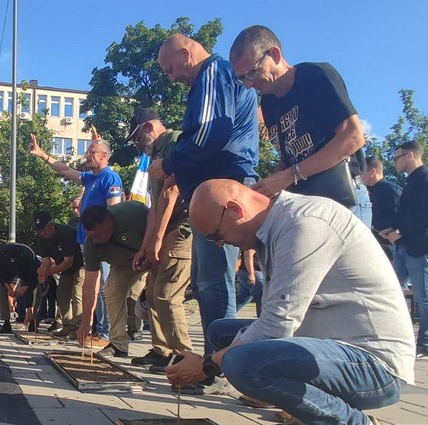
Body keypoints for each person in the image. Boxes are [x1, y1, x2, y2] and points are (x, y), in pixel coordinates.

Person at [168, 179, 415, 425]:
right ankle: (313, 419)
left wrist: (209, 364)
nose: (220, 244)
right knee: (222, 332)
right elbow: (276, 319)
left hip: (375, 365)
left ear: (234, 209)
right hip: (334, 346)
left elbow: (278, 324)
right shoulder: (277, 225)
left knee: (240, 362)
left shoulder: (304, 224)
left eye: (216, 235)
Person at [149, 33, 259, 354]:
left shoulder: (212, 72)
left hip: (222, 190)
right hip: (217, 188)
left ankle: (221, 365)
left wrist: (169, 163)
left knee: (214, 283)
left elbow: (209, 132)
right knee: (206, 282)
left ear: (186, 54)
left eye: (171, 69)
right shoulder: (214, 79)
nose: (172, 79)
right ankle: (219, 358)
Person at [229, 25, 365, 205]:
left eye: (253, 73)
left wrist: (289, 176)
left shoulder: (316, 76)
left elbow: (353, 137)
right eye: (242, 78)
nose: (248, 84)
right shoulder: (268, 104)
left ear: (275, 55)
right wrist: (265, 187)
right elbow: (290, 158)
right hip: (308, 199)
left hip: (345, 194)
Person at [29, 135, 123, 344]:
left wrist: (106, 241)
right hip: (88, 242)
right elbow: (64, 170)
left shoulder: (110, 178)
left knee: (105, 290)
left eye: (91, 152)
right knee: (94, 290)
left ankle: (106, 334)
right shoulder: (91, 178)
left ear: (104, 155)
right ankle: (96, 331)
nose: (87, 156)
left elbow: (115, 212)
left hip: (102, 243)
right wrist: (42, 154)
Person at [125, 108, 195, 370]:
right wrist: (145, 247)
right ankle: (162, 349)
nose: (136, 144)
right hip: (166, 226)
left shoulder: (175, 142)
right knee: (152, 292)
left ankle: (186, 359)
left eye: (136, 138)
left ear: (148, 129)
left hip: (183, 225)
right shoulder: (155, 156)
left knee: (167, 293)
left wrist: (157, 240)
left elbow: (172, 192)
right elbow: (155, 207)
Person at [382, 140, 428, 361]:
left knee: (423, 297)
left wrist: (400, 232)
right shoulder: (413, 181)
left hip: (423, 246)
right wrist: (394, 229)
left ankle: (425, 346)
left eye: (396, 157)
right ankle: (394, 337)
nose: (394, 163)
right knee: (392, 290)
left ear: (410, 156)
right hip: (407, 245)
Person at [78, 203, 149, 357]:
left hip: (155, 251)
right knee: (112, 290)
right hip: (124, 264)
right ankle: (118, 344)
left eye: (97, 235)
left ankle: (164, 350)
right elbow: (90, 286)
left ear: (108, 222)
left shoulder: (133, 214)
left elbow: (158, 231)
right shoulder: (91, 245)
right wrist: (85, 324)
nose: (94, 241)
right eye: (91, 236)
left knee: (158, 294)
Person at [34, 211, 84, 339]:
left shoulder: (66, 233)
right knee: (61, 294)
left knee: (77, 294)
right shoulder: (42, 239)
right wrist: (42, 272)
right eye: (40, 231)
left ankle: (79, 328)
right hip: (65, 269)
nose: (42, 233)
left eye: (44, 230)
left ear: (52, 225)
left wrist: (48, 272)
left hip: (80, 266)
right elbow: (46, 260)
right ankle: (67, 325)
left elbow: (68, 262)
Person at [0, 243, 41, 334]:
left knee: (36, 291)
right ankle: (6, 323)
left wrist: (30, 308)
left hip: (26, 272)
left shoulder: (30, 258)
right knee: (1, 289)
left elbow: (33, 282)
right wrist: (9, 288)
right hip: (8, 273)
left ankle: (33, 321)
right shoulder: (0, 256)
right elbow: (0, 275)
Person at [361, 155, 401, 259]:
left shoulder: (391, 191)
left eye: (361, 171)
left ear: (372, 172)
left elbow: (404, 217)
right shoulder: (364, 192)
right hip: (370, 245)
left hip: (388, 247)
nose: (359, 175)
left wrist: (390, 229)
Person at [235, 249, 263, 316]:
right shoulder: (256, 239)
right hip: (252, 272)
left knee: (242, 299)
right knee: (263, 296)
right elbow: (248, 254)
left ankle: (224, 315)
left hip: (245, 272)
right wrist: (251, 274)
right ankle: (262, 320)